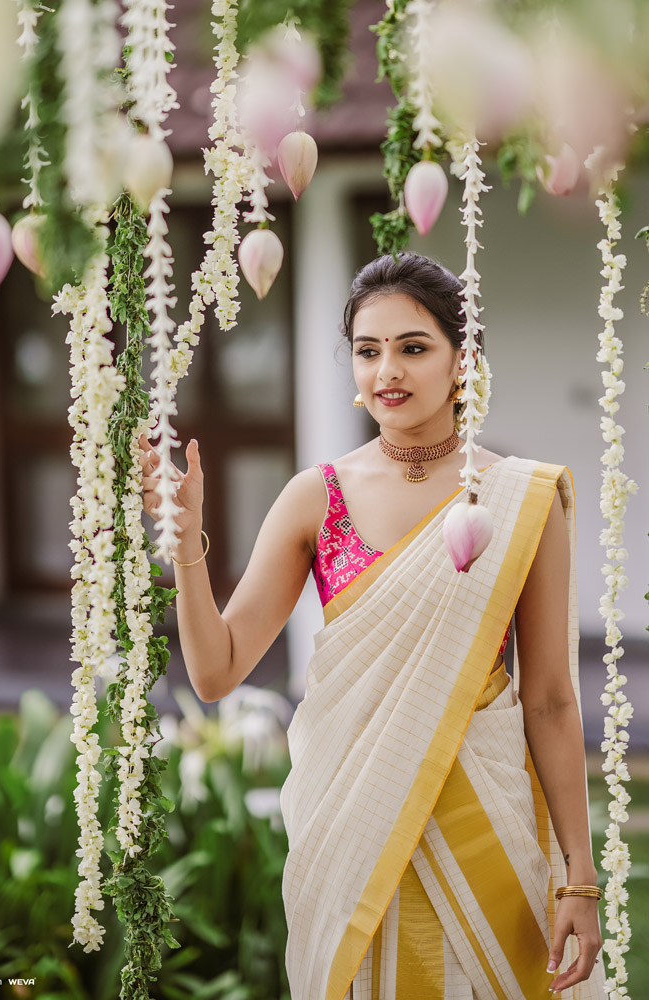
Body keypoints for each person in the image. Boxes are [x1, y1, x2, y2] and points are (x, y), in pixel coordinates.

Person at [140, 252, 605, 1000]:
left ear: (463, 361)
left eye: (413, 347)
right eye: (367, 350)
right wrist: (186, 541)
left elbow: (549, 697)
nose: (386, 369)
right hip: (348, 820)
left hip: (483, 817)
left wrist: (578, 881)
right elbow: (216, 670)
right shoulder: (314, 497)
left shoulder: (520, 498)